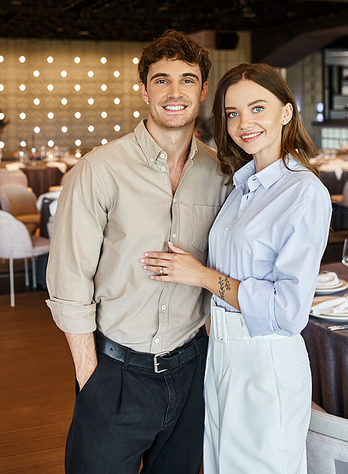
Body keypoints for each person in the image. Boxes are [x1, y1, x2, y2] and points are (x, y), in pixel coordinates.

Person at [46, 30, 230, 474]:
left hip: (191, 372)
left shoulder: (221, 172)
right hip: (115, 373)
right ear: (144, 89)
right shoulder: (98, 170)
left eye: (187, 79)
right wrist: (91, 377)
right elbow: (69, 280)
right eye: (161, 79)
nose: (174, 92)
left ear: (203, 90)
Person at [141, 63, 332, 474]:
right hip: (222, 355)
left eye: (258, 108)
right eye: (232, 113)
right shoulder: (241, 185)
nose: (244, 123)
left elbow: (287, 310)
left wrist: (201, 276)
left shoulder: (304, 193)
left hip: (266, 359)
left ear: (286, 112)